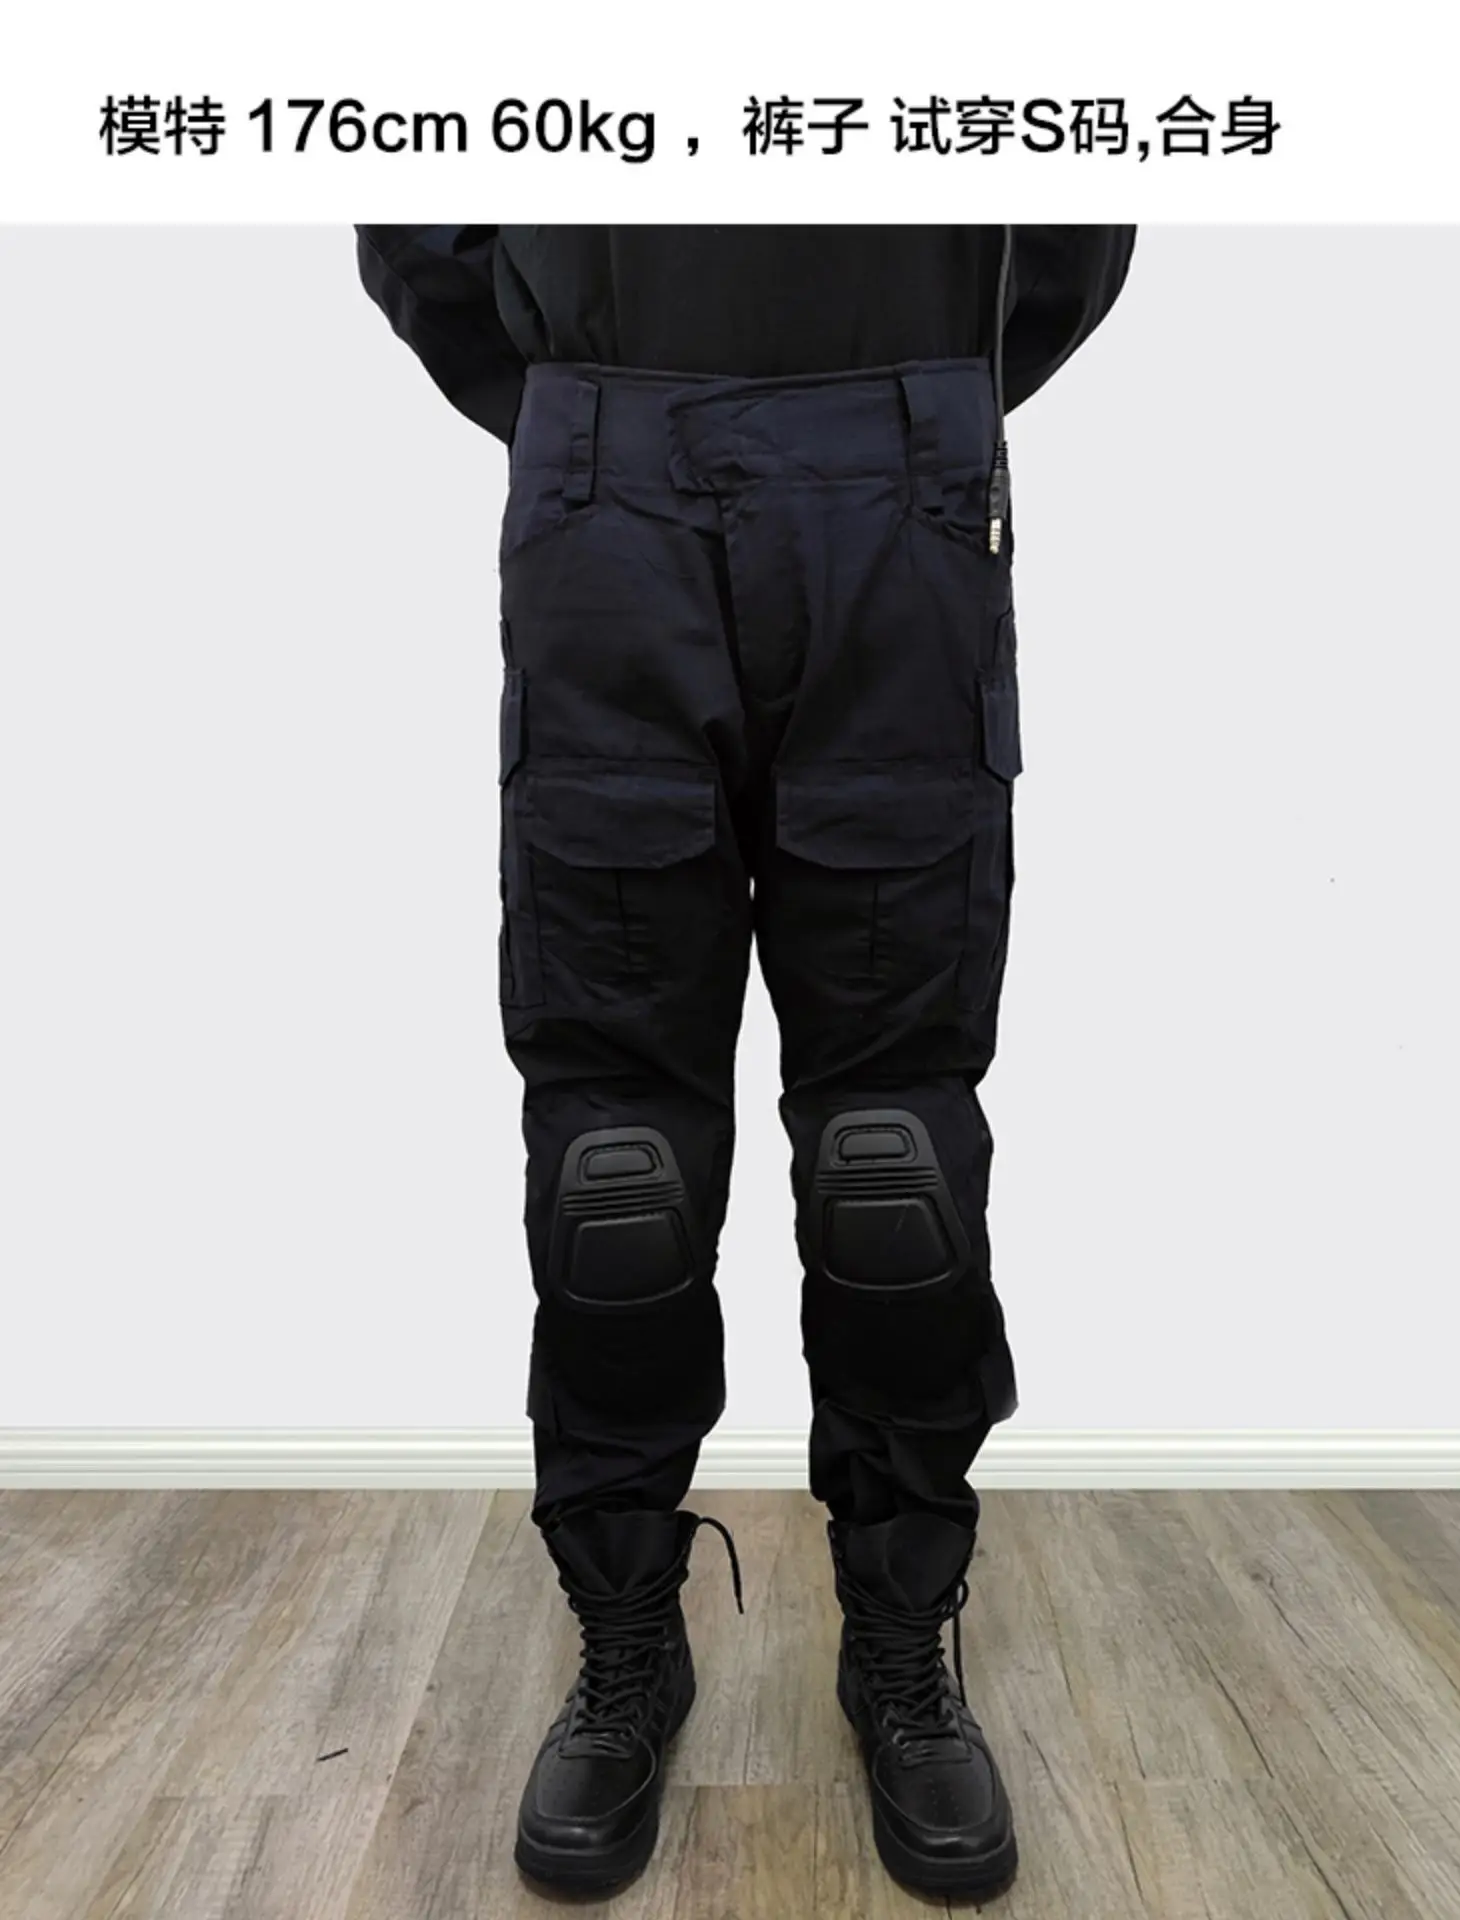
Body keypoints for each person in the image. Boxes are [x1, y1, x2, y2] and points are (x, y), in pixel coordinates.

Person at [355, 223, 1135, 1901]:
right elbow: (414, 197)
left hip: (904, 482)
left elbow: (1077, 198)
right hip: (607, 483)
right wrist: (573, 406)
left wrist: (927, 401)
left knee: (890, 1161)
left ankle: (899, 1638)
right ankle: (626, 1634)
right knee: (615, 1172)